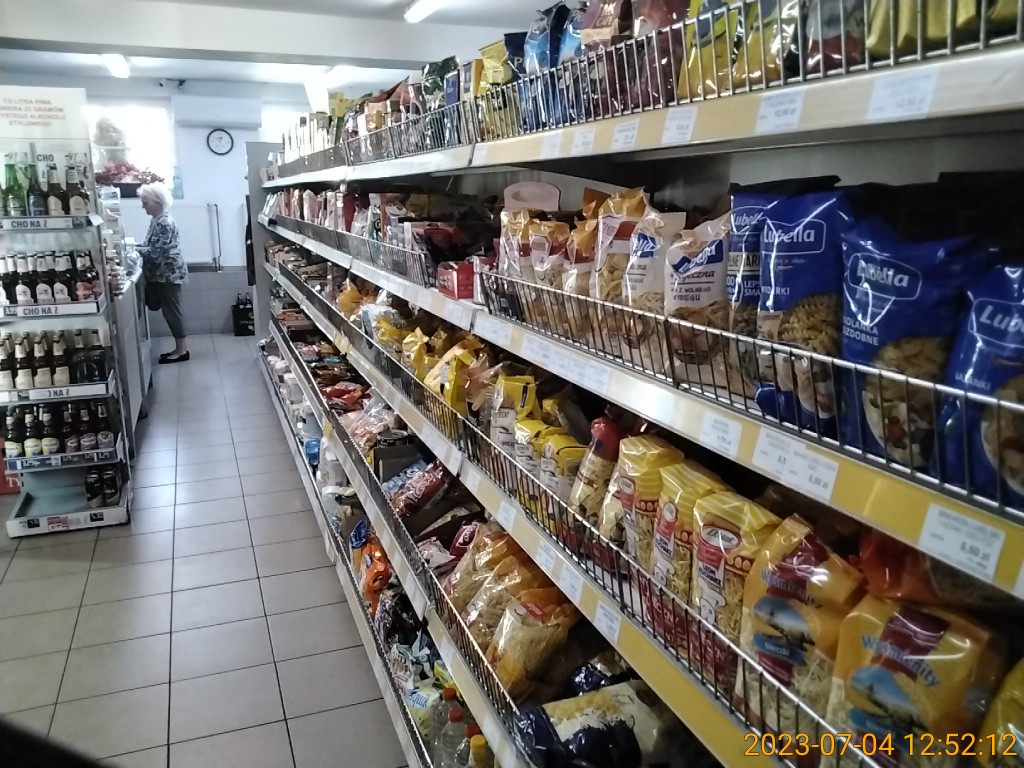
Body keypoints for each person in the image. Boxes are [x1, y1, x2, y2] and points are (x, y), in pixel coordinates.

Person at [138, 182, 189, 363]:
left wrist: (133, 250)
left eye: (145, 202)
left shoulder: (163, 223)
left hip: (168, 274)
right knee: (170, 310)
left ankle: (182, 350)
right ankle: (180, 348)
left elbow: (156, 252)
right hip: (164, 273)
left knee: (172, 311)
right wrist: (136, 247)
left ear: (157, 202)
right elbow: (150, 245)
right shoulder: (157, 220)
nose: (143, 206)